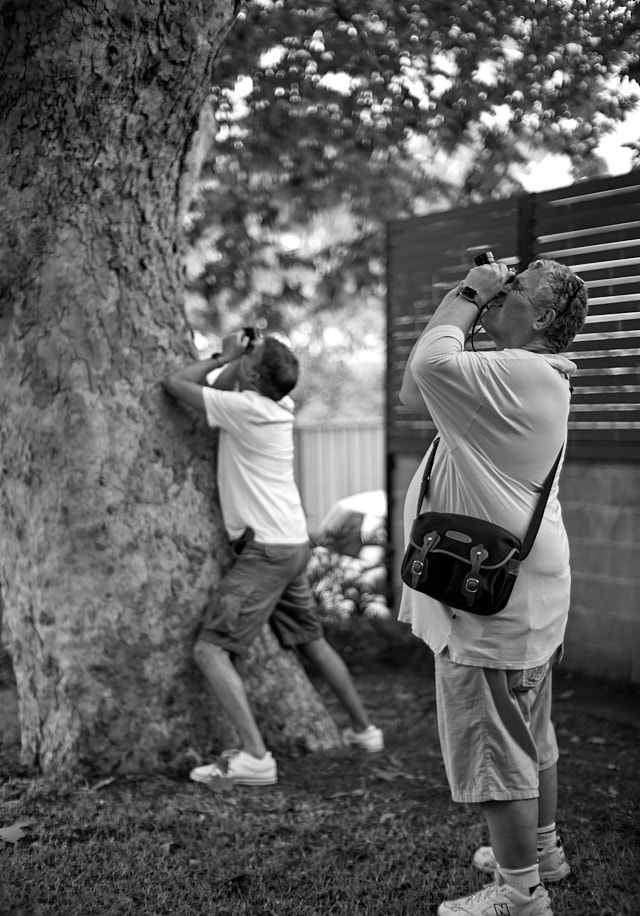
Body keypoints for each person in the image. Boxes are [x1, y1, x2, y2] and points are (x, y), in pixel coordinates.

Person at [398, 258, 588, 916]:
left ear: (539, 318)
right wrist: (465, 298)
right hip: (524, 591)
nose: (504, 289)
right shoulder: (523, 374)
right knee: (531, 730)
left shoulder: (516, 372)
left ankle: (519, 893)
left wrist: (470, 293)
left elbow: (425, 369)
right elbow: (410, 391)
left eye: (519, 286)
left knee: (497, 744)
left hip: (487, 597)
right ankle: (544, 850)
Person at [163, 330, 383, 787]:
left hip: (265, 552)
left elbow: (176, 383)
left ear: (254, 373)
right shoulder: (278, 406)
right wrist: (239, 362)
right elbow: (222, 390)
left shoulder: (246, 409)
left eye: (251, 357)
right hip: (291, 545)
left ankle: (255, 758)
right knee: (311, 639)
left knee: (209, 650)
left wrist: (222, 355)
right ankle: (366, 731)